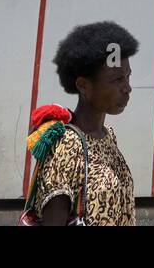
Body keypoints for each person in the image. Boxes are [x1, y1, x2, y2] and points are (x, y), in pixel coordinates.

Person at [26, 21, 138, 226]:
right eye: (116, 80)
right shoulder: (66, 146)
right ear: (84, 86)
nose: (127, 88)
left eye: (127, 77)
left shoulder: (108, 135)